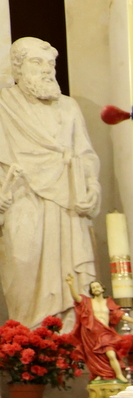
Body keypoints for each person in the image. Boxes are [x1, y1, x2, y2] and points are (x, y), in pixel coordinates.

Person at [0, 38, 100, 326]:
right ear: (17, 69)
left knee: (71, 280)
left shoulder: (68, 108)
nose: (46, 70)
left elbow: (86, 154)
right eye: (36, 62)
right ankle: (26, 343)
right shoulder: (4, 106)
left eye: (50, 64)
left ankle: (67, 342)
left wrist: (92, 187)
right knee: (22, 264)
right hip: (22, 201)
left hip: (67, 203)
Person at [70, 279, 129, 381]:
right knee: (94, 357)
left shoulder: (108, 302)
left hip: (104, 333)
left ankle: (119, 374)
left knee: (111, 354)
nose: (96, 289)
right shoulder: (87, 302)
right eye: (93, 288)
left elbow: (118, 314)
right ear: (91, 291)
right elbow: (76, 298)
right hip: (90, 334)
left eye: (97, 286)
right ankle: (100, 374)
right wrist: (71, 285)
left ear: (102, 288)